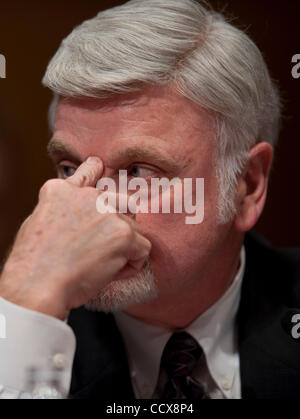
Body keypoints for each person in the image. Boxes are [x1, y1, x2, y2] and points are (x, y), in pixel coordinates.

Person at [0, 0, 299, 400]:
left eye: (139, 172)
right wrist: (26, 305)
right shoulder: (21, 324)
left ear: (246, 184)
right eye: (71, 169)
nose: (94, 207)